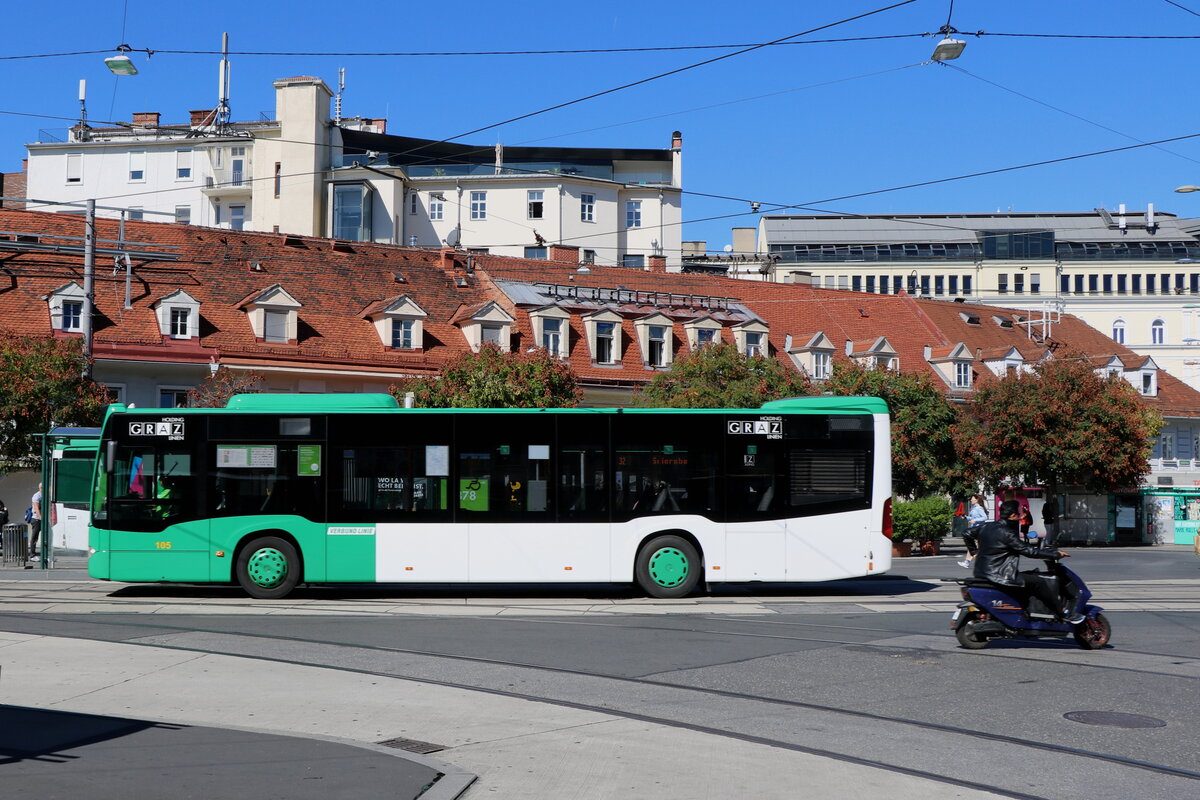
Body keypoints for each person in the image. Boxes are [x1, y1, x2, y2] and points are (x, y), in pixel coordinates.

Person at [974, 499, 1083, 624]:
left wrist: (973, 551)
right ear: (1013, 516)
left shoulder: (987, 526)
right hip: (1001, 575)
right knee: (1040, 582)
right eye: (1018, 514)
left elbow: (967, 533)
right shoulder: (1007, 533)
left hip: (982, 573)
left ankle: (1026, 611)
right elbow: (1029, 551)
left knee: (1030, 575)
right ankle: (1062, 612)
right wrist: (1055, 554)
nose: (1020, 516)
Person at [959, 494, 988, 569]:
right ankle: (968, 562)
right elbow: (972, 518)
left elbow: (985, 517)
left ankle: (970, 562)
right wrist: (966, 517)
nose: (971, 500)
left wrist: (975, 520)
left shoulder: (979, 508)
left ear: (976, 500)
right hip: (974, 530)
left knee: (973, 547)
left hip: (978, 530)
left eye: (972, 499)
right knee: (973, 547)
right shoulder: (974, 508)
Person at [29, 483, 42, 565]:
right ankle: (32, 555)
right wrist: (41, 518)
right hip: (36, 519)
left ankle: (45, 554)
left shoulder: (44, 495)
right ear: (40, 488)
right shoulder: (36, 496)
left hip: (41, 519)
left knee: (44, 536)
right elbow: (36, 509)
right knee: (34, 537)